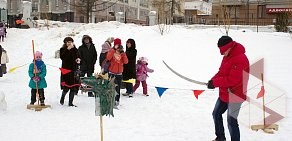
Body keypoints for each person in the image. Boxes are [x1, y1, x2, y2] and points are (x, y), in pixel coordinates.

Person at [206, 36, 249, 141]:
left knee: (231, 121)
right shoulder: (227, 56)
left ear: (230, 47)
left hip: (236, 95)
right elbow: (221, 72)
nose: (221, 53)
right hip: (225, 93)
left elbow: (232, 79)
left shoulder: (241, 59)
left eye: (223, 51)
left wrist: (215, 83)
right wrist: (212, 81)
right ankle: (220, 138)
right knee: (216, 114)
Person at [106, 38, 128, 106]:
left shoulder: (122, 53)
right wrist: (113, 50)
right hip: (112, 73)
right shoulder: (111, 51)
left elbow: (126, 62)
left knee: (118, 88)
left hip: (119, 73)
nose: (118, 46)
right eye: (117, 45)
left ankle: (117, 100)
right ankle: (111, 100)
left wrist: (123, 54)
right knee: (112, 88)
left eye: (119, 45)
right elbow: (108, 58)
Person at [60, 37, 81, 107]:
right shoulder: (62, 49)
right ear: (65, 43)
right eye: (67, 42)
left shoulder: (75, 49)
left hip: (73, 70)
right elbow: (63, 58)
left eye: (70, 42)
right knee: (66, 87)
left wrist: (78, 60)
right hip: (66, 70)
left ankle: (70, 103)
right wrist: (67, 50)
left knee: (73, 87)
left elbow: (78, 56)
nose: (69, 43)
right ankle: (62, 97)